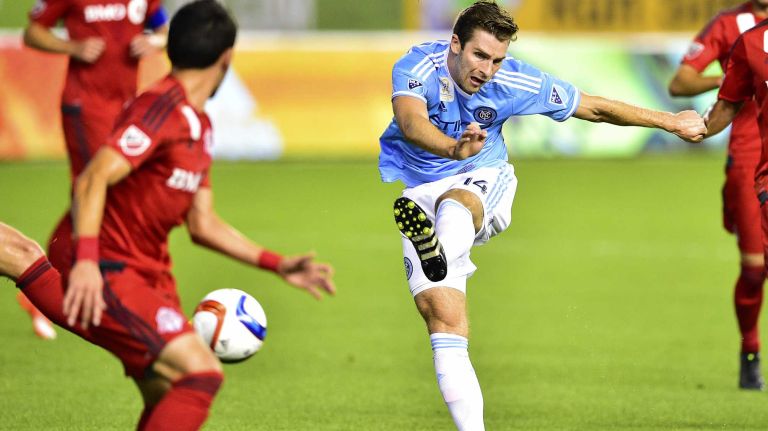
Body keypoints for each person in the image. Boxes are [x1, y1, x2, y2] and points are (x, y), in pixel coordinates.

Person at [2, 1, 335, 429]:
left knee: (163, 393)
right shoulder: (159, 109)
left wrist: (275, 263)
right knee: (199, 374)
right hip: (109, 269)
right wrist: (85, 263)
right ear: (226, 58)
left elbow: (202, 223)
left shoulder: (199, 125)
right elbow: (92, 179)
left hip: (150, 275)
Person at [378, 1, 706, 429]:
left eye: (497, 59)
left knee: (456, 207)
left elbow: (594, 107)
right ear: (455, 43)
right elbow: (409, 121)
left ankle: (439, 244)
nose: (487, 70)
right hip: (420, 192)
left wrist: (668, 121)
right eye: (479, 56)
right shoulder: (417, 65)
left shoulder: (515, 79)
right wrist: (452, 147)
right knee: (444, 324)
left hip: (482, 176)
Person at [18, 0, 170, 340]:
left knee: (102, 193)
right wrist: (72, 46)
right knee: (94, 189)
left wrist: (155, 42)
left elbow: (163, 31)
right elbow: (32, 33)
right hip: (85, 105)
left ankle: (47, 277)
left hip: (126, 106)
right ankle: (56, 281)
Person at [668, 0, 768, 390]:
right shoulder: (739, 33)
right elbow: (680, 83)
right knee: (755, 268)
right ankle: (750, 350)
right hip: (750, 161)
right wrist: (734, 80)